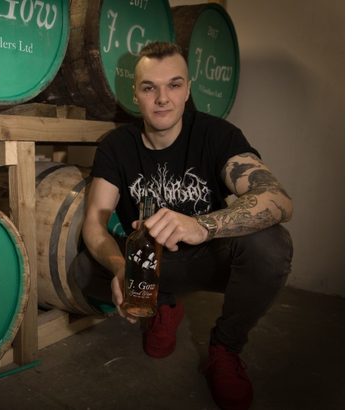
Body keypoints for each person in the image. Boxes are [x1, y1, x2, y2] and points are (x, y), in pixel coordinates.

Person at [81, 41, 293, 410]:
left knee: (271, 246)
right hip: (152, 266)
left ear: (188, 89)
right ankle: (164, 305)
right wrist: (120, 267)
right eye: (150, 87)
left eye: (174, 85)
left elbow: (278, 200)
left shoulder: (217, 135)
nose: (162, 98)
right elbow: (94, 223)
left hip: (212, 259)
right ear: (135, 94)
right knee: (85, 266)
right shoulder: (117, 146)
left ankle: (225, 348)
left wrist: (201, 226)